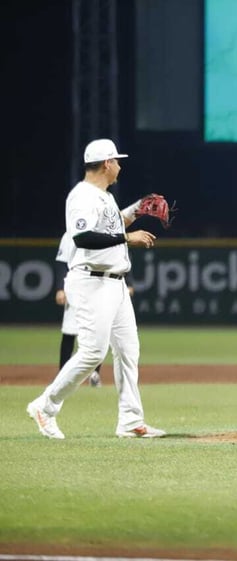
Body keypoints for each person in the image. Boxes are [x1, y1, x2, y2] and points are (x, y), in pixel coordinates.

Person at [27, 138, 165, 439]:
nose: (119, 165)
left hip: (114, 283)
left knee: (128, 351)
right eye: (116, 161)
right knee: (92, 352)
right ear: (106, 164)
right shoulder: (83, 196)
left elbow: (112, 227)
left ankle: (130, 421)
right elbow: (84, 238)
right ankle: (45, 405)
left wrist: (138, 208)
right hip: (91, 282)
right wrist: (129, 238)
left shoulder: (104, 196)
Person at [55, 232, 136, 388]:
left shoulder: (108, 232)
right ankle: (62, 374)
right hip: (78, 284)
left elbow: (122, 258)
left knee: (100, 332)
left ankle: (94, 374)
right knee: (70, 331)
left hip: (103, 287)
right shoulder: (71, 233)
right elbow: (61, 262)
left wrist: (129, 282)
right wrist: (60, 288)